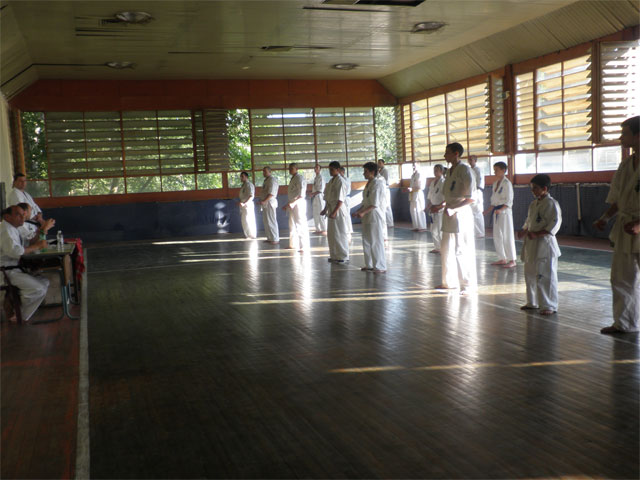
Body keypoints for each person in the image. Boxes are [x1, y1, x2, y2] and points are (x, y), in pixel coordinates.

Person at [593, 115, 639, 334]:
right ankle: (625, 323)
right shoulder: (626, 164)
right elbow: (620, 198)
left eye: (625, 133)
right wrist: (605, 217)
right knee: (621, 277)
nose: (621, 138)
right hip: (625, 227)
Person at [517, 174, 562, 316]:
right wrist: (524, 230)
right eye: (531, 188)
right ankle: (533, 302)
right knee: (530, 274)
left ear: (545, 188)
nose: (533, 191)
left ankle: (549, 305)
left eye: (535, 188)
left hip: (545, 244)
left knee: (546, 276)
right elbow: (529, 221)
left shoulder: (552, 204)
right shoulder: (533, 204)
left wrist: (537, 234)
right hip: (531, 244)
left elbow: (555, 225)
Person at [437, 143, 477, 294]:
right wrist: (441, 206)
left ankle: (467, 285)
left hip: (460, 213)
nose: (444, 155)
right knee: (446, 248)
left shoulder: (465, 170)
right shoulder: (449, 172)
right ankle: (448, 282)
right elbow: (448, 195)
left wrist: (454, 209)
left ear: (456, 154)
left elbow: (471, 198)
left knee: (461, 249)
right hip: (448, 211)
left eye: (447, 152)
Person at [0, 205, 49, 322]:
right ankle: (19, 314)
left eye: (23, 214)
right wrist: (37, 246)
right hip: (6, 271)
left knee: (44, 282)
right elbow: (16, 252)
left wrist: (41, 232)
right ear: (7, 217)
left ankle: (15, 306)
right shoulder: (5, 230)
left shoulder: (13, 228)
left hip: (14, 269)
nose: (22, 218)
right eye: (18, 215)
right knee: (38, 289)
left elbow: (27, 243)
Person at [353, 162, 386, 273]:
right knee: (366, 240)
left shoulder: (378, 183)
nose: (364, 174)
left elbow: (374, 203)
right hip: (367, 214)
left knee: (375, 240)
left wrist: (363, 212)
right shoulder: (369, 183)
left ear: (372, 172)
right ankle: (369, 264)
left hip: (375, 215)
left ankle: (380, 266)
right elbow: (365, 202)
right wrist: (359, 211)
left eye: (366, 171)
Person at [484, 161, 516, 268]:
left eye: (496, 170)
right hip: (496, 211)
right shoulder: (495, 183)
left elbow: (509, 201)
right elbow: (494, 202)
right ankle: (502, 258)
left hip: (505, 212)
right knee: (497, 235)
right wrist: (487, 211)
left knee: (507, 235)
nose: (495, 172)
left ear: (503, 170)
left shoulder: (507, 183)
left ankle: (512, 260)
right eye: (494, 170)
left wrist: (501, 210)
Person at [321, 161, 350, 263]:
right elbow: (328, 198)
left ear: (338, 170)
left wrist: (335, 211)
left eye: (332, 169)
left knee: (340, 233)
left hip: (338, 209)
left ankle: (343, 256)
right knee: (332, 234)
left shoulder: (341, 181)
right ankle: (334, 255)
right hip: (331, 208)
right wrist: (325, 209)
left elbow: (341, 199)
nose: (330, 171)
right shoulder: (331, 181)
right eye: (329, 169)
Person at [282, 163, 310, 252]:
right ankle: (293, 244)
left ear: (296, 169)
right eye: (289, 168)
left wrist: (293, 203)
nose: (290, 170)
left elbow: (301, 194)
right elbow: (292, 194)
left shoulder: (300, 178)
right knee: (292, 225)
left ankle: (304, 245)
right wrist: (288, 204)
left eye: (292, 168)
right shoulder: (293, 179)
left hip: (299, 203)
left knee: (300, 224)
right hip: (292, 203)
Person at [425, 164, 445, 253]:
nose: (435, 172)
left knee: (440, 230)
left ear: (441, 171)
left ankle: (443, 248)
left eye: (437, 170)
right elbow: (430, 196)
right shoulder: (433, 182)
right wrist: (428, 206)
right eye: (434, 170)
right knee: (433, 230)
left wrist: (439, 206)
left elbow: (446, 198)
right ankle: (437, 247)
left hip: (441, 209)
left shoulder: (444, 182)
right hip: (433, 208)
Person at [259, 167, 279, 244]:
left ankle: (275, 238)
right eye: (263, 171)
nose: (263, 173)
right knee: (266, 221)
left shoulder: (272, 180)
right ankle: (270, 238)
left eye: (265, 171)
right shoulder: (266, 180)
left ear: (270, 172)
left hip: (270, 202)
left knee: (271, 220)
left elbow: (272, 193)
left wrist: (265, 201)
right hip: (265, 203)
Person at [405, 162, 427, 231]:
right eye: (413, 166)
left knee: (419, 210)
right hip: (412, 194)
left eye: (415, 166)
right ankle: (415, 226)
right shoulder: (413, 175)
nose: (413, 167)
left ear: (419, 165)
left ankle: (422, 227)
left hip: (418, 193)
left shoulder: (420, 174)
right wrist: (410, 189)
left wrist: (412, 189)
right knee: (413, 211)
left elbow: (421, 186)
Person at [468, 155, 485, 238]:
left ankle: (480, 232)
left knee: (477, 212)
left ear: (475, 160)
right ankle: (475, 232)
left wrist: (476, 190)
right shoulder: (469, 170)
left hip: (477, 192)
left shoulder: (478, 170)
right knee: (472, 213)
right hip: (471, 192)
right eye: (469, 160)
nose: (470, 161)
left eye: (471, 159)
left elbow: (480, 181)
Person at [237, 172, 257, 239]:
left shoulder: (249, 185)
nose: (241, 178)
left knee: (249, 220)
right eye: (240, 176)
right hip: (243, 204)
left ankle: (252, 235)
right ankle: (247, 234)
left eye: (242, 176)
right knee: (244, 220)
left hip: (248, 204)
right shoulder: (243, 185)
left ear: (246, 177)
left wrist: (245, 203)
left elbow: (251, 196)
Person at [310, 164, 327, 235]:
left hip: (320, 197)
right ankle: (318, 229)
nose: (315, 169)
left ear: (320, 169)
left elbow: (321, 190)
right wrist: (312, 193)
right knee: (315, 214)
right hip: (315, 197)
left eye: (317, 167)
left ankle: (324, 229)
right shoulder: (315, 178)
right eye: (315, 167)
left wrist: (313, 194)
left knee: (321, 213)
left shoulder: (321, 178)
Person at [377, 159, 394, 228]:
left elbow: (385, 180)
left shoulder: (385, 170)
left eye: (380, 163)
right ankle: (385, 222)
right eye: (378, 163)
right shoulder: (379, 171)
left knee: (387, 206)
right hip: (381, 189)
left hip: (385, 189)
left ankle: (390, 223)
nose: (379, 164)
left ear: (383, 163)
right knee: (383, 205)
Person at [339, 166, 353, 238]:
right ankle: (344, 229)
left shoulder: (347, 179)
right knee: (342, 214)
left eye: (340, 172)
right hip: (341, 198)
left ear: (343, 172)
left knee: (347, 214)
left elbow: (346, 187)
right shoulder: (339, 179)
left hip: (346, 198)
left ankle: (349, 230)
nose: (338, 173)